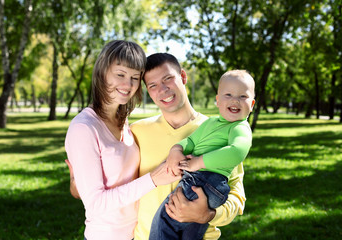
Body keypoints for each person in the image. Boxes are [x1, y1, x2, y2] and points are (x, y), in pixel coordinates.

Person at [67, 53, 247, 240]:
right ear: (148, 91)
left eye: (168, 79)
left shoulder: (220, 131)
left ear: (183, 77)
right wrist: (77, 180)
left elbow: (237, 195)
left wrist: (209, 215)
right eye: (153, 85)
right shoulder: (136, 132)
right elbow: (111, 183)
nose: (163, 90)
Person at [64, 41, 178, 240]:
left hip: (136, 233)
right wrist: (153, 179)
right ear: (102, 72)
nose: (128, 85)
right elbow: (96, 203)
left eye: (135, 77)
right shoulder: (84, 128)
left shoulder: (122, 120)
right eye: (120, 74)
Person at [148, 69, 255, 239]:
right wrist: (176, 150)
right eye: (228, 95)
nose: (235, 100)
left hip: (206, 180)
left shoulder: (240, 128)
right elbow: (190, 142)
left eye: (243, 96)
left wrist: (197, 163)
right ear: (218, 100)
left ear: (252, 104)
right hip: (207, 186)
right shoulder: (211, 123)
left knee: (165, 220)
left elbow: (236, 152)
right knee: (191, 233)